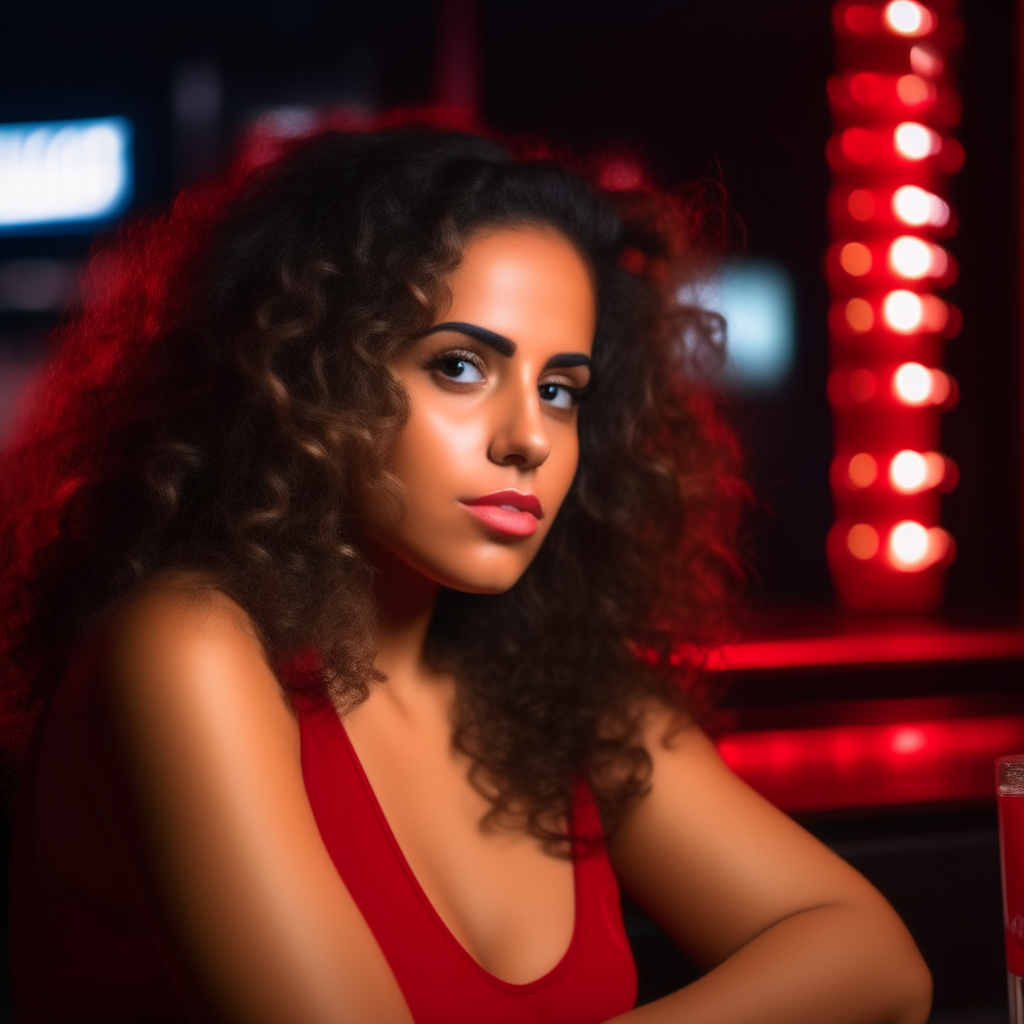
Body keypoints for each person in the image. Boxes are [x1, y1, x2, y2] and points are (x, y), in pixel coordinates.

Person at [1, 125, 932, 1023]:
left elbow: (876, 963)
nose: (529, 437)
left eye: (560, 388)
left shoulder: (556, 684)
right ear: (306, 371)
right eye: (459, 366)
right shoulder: (185, 647)